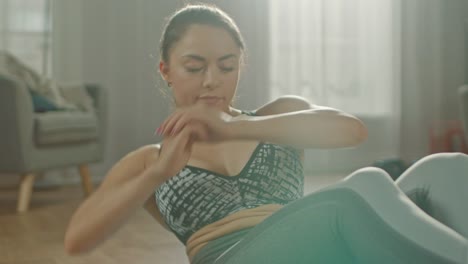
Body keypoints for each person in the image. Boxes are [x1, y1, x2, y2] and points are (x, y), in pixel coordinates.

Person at [64, 4, 468, 264]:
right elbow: (78, 238)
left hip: (311, 246)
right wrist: (157, 174)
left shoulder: (275, 117)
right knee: (360, 189)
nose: (212, 81)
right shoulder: (150, 160)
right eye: (194, 66)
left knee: (445, 170)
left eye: (226, 66)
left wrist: (236, 125)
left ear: (241, 64)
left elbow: (352, 130)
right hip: (230, 257)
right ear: (165, 70)